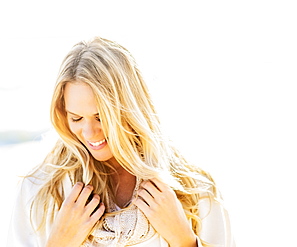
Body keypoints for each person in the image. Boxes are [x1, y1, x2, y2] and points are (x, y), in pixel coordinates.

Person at [7, 37, 235, 247]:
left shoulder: (193, 189)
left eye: (101, 117)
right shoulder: (39, 191)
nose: (89, 133)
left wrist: (183, 239)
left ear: (130, 108)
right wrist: (59, 242)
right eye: (76, 118)